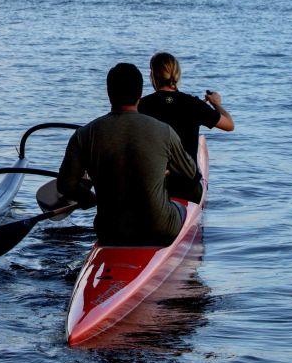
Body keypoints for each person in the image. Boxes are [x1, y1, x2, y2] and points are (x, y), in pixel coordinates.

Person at [57, 63, 197, 247]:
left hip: (110, 231)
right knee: (182, 207)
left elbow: (65, 185)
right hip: (159, 230)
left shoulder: (84, 134)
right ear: (140, 94)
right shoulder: (164, 131)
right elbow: (190, 173)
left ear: (108, 93)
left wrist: (89, 199)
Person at [138, 52, 234, 203]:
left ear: (153, 76)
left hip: (152, 186)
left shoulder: (142, 105)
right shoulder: (193, 104)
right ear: (177, 74)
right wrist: (215, 103)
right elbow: (229, 125)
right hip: (187, 187)